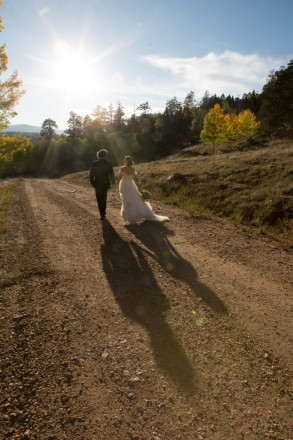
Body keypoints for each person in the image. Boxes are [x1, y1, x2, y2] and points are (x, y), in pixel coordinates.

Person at [119, 155, 169, 224]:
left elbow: (121, 178)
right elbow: (135, 180)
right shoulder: (133, 169)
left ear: (126, 161)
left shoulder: (122, 168)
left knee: (126, 199)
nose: (123, 160)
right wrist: (139, 189)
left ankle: (130, 217)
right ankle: (136, 214)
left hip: (124, 184)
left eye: (124, 159)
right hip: (131, 184)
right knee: (134, 198)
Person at [90, 149, 115, 220]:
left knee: (99, 198)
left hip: (97, 183)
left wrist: (91, 182)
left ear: (98, 155)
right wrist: (113, 183)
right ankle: (103, 213)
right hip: (106, 183)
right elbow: (112, 174)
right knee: (104, 198)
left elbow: (91, 174)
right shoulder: (109, 163)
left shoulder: (94, 163)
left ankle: (102, 214)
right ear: (106, 155)